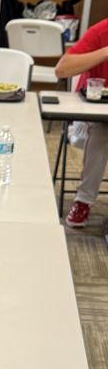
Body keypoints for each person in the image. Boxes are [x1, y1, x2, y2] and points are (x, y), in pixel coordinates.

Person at [56, 18, 108, 227]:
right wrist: (105, 52)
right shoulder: (101, 30)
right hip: (90, 115)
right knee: (102, 132)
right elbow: (62, 70)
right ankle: (83, 200)